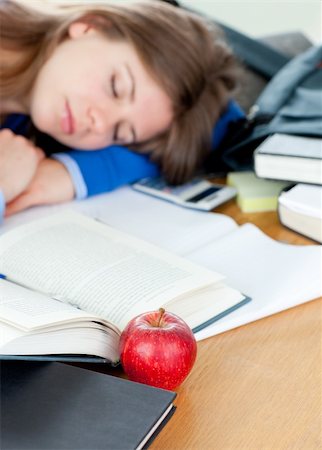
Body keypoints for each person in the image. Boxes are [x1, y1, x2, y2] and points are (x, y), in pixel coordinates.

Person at [0, 0, 245, 221]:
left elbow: (226, 125)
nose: (99, 123)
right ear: (89, 26)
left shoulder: (37, 100)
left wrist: (74, 173)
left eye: (119, 132)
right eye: (115, 87)